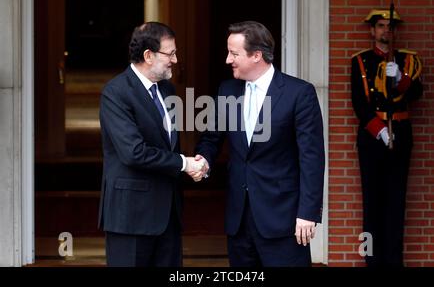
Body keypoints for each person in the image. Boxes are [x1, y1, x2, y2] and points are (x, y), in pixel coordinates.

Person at [191, 21, 325, 267]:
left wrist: (308, 212)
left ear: (256, 55)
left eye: (234, 53)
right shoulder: (227, 90)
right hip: (239, 220)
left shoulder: (299, 93)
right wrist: (203, 160)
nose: (227, 60)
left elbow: (312, 158)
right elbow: (212, 137)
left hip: (284, 219)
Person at [98, 22, 205, 267]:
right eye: (171, 53)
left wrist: (191, 166)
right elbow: (134, 153)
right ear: (148, 55)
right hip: (131, 217)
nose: (175, 60)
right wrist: (183, 163)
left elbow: (167, 145)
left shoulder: (167, 89)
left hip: (169, 215)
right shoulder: (116, 93)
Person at [351, 9, 423, 267]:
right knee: (372, 202)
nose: (385, 31)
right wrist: (379, 130)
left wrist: (400, 79)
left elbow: (417, 93)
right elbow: (359, 103)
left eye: (389, 27)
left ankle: (394, 262)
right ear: (372, 31)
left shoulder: (407, 61)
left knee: (396, 202)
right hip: (373, 138)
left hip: (401, 135)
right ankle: (373, 262)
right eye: (380, 26)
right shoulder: (361, 61)